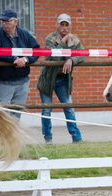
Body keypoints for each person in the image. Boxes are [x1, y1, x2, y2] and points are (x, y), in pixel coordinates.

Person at [37, 13, 84, 144]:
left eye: (66, 25)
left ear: (70, 26)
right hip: (48, 78)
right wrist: (63, 42)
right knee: (47, 109)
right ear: (57, 25)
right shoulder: (50, 39)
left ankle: (77, 138)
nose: (64, 28)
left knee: (68, 108)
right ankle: (48, 139)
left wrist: (71, 59)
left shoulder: (75, 40)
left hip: (63, 79)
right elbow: (54, 57)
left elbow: (83, 54)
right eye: (61, 24)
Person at [0, 9, 39, 120]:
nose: (4, 24)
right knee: (3, 114)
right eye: (2, 21)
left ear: (15, 22)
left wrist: (25, 59)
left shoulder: (25, 34)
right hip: (4, 82)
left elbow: (36, 50)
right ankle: (3, 137)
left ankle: (13, 137)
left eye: (7, 21)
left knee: (17, 112)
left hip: (22, 81)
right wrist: (13, 59)